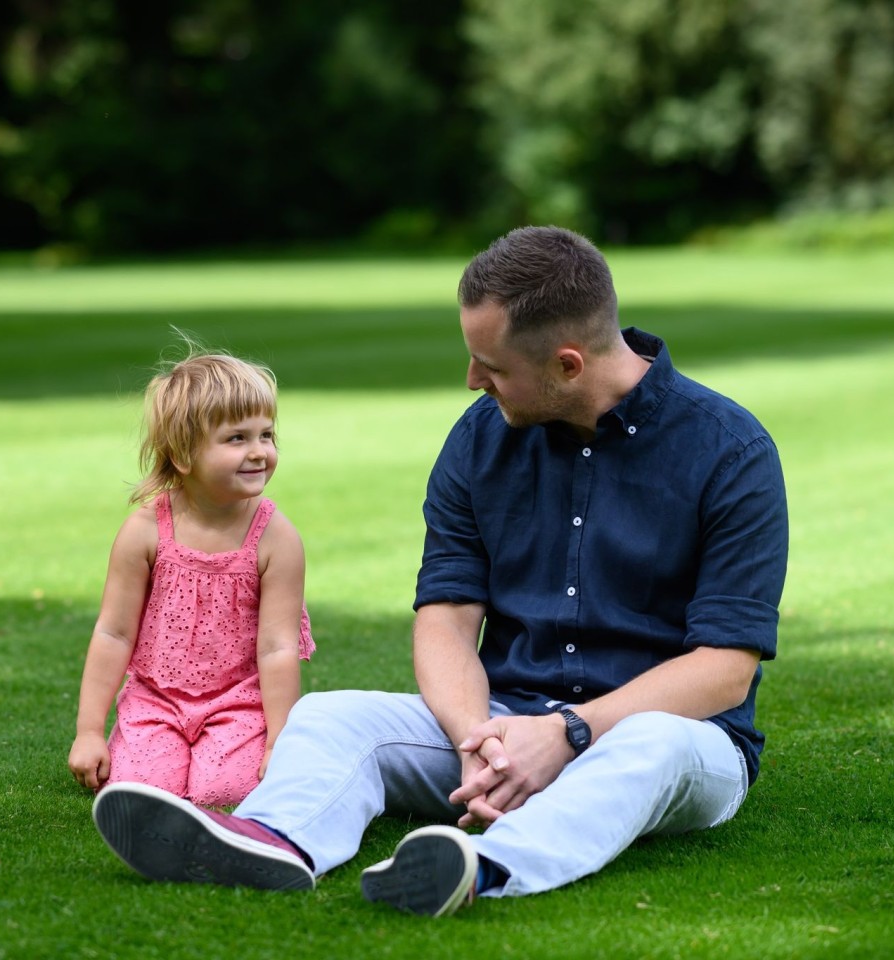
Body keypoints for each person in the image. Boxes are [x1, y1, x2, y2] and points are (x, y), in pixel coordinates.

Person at [89, 225, 788, 915]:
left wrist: (568, 732)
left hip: (674, 741)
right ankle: (273, 840)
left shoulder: (730, 452)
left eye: (492, 364)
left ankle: (483, 865)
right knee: (332, 716)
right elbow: (447, 620)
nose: (472, 379)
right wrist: (474, 737)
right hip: (500, 725)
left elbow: (724, 668)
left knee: (652, 742)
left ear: (567, 365)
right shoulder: (479, 438)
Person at [67, 347, 314, 807]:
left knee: (224, 791)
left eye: (266, 434)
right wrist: (88, 732)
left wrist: (280, 742)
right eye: (237, 438)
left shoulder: (276, 539)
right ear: (182, 454)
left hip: (240, 704)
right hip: (155, 701)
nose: (260, 451)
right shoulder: (145, 532)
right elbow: (114, 632)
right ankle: (149, 754)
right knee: (140, 793)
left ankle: (222, 762)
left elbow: (278, 647)